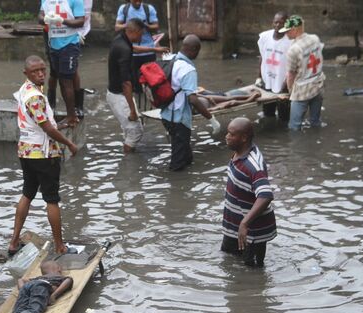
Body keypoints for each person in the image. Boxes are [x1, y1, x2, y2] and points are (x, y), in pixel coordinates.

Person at [8, 55, 78, 256]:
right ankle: (60, 246)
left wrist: (59, 124)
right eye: (35, 72)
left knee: (27, 193)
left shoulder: (25, 90)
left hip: (26, 151)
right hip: (43, 154)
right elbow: (46, 127)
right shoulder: (35, 97)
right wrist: (69, 143)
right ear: (26, 73)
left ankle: (13, 242)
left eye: (43, 70)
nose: (40, 74)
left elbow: (38, 121)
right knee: (52, 199)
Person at [221, 117, 277, 268]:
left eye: (231, 134)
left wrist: (245, 223)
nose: (226, 136)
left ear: (244, 138)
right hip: (235, 226)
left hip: (251, 232)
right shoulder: (238, 153)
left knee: (252, 273)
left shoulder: (253, 165)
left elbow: (266, 195)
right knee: (227, 260)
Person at [160, 34, 214, 171]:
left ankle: (187, 176)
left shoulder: (169, 58)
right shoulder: (188, 69)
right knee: (177, 163)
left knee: (185, 154)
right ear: (194, 50)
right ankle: (176, 188)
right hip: (178, 119)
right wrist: (211, 118)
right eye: (198, 51)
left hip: (166, 115)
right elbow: (193, 99)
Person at [0, 260, 74, 313]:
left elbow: (21, 280)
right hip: (41, 286)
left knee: (19, 312)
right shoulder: (58, 276)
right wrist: (54, 295)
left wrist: (23, 292)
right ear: (59, 269)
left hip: (27, 286)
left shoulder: (38, 278)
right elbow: (69, 280)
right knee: (34, 311)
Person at [39, 0, 85, 126]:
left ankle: (72, 116)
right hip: (53, 44)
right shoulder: (46, 1)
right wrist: (46, 19)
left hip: (69, 44)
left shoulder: (75, 1)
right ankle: (61, 109)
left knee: (66, 81)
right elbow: (40, 17)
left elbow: (81, 21)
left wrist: (62, 20)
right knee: (59, 79)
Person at [280, 15, 325, 130]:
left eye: (287, 31)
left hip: (301, 91)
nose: (286, 34)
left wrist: (290, 92)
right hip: (318, 85)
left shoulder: (293, 50)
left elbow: (291, 75)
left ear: (294, 30)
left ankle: (297, 147)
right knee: (315, 122)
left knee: (294, 126)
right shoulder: (315, 38)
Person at [107, 18, 145, 153]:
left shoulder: (120, 40)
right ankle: (128, 166)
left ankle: (128, 154)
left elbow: (132, 48)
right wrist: (133, 111)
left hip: (115, 93)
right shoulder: (124, 49)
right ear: (134, 31)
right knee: (136, 132)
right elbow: (126, 83)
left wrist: (154, 48)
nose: (142, 36)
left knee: (130, 130)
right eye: (141, 33)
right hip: (119, 95)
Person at [114, 0, 168, 94]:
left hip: (148, 51)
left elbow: (156, 26)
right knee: (135, 82)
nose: (138, 3)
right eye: (135, 1)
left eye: (140, 1)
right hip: (133, 52)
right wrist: (131, 25)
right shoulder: (124, 9)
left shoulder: (148, 9)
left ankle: (151, 100)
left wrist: (145, 25)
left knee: (151, 80)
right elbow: (117, 27)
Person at [257, 11, 291, 121]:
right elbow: (262, 57)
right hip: (268, 83)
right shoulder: (264, 37)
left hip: (283, 85)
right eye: (276, 22)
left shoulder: (291, 42)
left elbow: (294, 66)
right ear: (272, 23)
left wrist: (286, 85)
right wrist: (259, 77)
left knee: (284, 118)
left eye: (281, 23)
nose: (278, 25)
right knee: (268, 115)